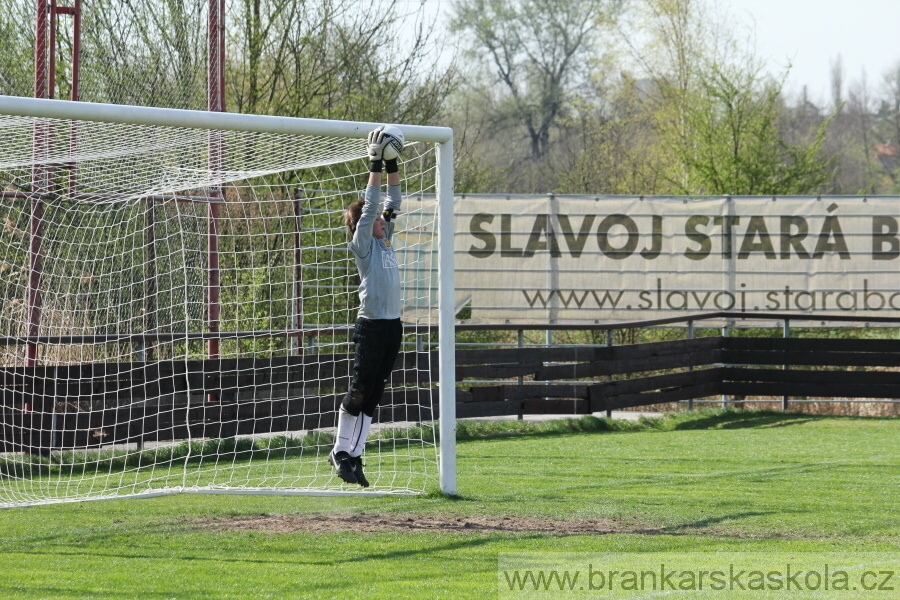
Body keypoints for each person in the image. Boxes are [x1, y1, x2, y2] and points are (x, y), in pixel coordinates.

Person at [329, 126, 403, 487]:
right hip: (372, 325)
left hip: (393, 325)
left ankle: (355, 456)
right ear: (362, 224)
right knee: (359, 389)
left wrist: (392, 165)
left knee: (374, 393)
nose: (381, 220)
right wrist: (374, 161)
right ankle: (340, 451)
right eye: (374, 218)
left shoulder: (384, 239)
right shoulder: (363, 244)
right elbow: (373, 204)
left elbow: (393, 203)